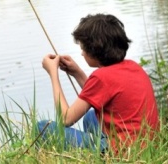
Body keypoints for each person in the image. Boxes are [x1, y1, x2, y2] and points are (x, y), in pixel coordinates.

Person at [37, 13, 160, 153]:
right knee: (91, 116)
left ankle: (101, 153)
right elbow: (102, 94)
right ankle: (94, 151)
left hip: (124, 153)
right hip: (147, 147)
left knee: (42, 128)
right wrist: (77, 72)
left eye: (83, 48)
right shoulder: (133, 67)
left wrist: (53, 74)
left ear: (94, 49)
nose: (82, 53)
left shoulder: (101, 76)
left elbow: (66, 119)